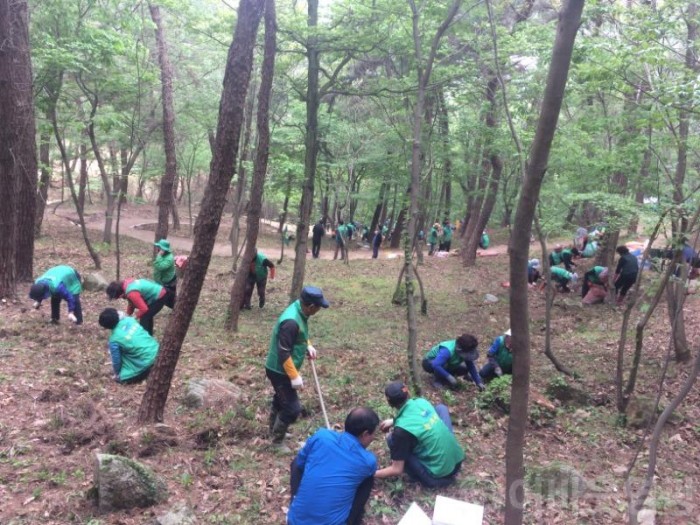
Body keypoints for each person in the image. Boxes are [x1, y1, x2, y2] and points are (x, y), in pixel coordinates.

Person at [265, 286, 329, 452]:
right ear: (310, 306)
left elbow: (298, 336)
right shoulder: (291, 321)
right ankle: (276, 443)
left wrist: (307, 345)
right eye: (318, 307)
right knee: (292, 409)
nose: (319, 310)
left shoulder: (299, 311)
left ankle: (274, 430)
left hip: (284, 368)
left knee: (281, 400)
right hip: (279, 371)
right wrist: (294, 376)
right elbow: (283, 351)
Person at [288, 407, 379, 525]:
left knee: (297, 462)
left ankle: (297, 500)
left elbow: (299, 464)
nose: (373, 438)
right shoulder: (368, 461)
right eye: (373, 434)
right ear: (365, 434)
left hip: (294, 521)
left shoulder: (321, 436)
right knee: (368, 480)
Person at [375, 381, 464, 488]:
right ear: (408, 394)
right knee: (441, 408)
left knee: (391, 440)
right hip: (458, 461)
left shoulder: (401, 431)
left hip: (440, 474)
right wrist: (394, 421)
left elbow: (397, 469)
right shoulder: (421, 402)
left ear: (390, 403)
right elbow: (418, 417)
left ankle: (431, 480)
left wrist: (373, 474)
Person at [98, 308, 159, 384]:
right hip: (158, 351)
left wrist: (117, 374)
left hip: (147, 363)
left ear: (106, 327)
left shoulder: (114, 340)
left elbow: (116, 361)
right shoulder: (130, 320)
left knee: (122, 378)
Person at [106, 278, 175, 336]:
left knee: (145, 317)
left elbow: (144, 309)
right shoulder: (126, 284)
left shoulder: (131, 292)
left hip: (160, 295)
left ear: (120, 295)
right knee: (174, 305)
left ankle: (146, 339)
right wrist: (127, 316)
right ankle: (148, 336)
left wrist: (134, 318)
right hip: (160, 291)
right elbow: (131, 303)